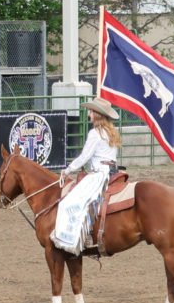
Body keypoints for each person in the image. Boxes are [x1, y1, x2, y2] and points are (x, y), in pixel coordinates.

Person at [51, 97, 123, 254]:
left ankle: (82, 235)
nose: (89, 114)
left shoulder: (95, 133)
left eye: (91, 111)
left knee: (73, 201)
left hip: (100, 174)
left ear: (97, 114)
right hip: (113, 170)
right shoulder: (112, 132)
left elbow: (85, 157)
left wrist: (68, 170)